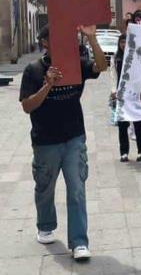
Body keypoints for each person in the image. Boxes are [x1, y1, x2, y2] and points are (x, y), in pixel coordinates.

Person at [20, 25, 107, 262]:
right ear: (44, 42)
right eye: (55, 39)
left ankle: (79, 241)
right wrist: (47, 85)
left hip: (73, 137)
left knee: (77, 188)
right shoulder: (33, 70)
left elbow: (102, 66)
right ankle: (45, 224)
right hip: (45, 140)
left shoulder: (77, 64)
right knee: (45, 187)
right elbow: (28, 106)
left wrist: (92, 39)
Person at [113, 33, 141, 162]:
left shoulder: (136, 57)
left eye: (125, 42)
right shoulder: (116, 58)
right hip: (122, 95)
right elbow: (113, 75)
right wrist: (114, 90)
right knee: (122, 125)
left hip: (135, 94)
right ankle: (124, 152)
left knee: (138, 123)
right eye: (121, 42)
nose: (123, 44)